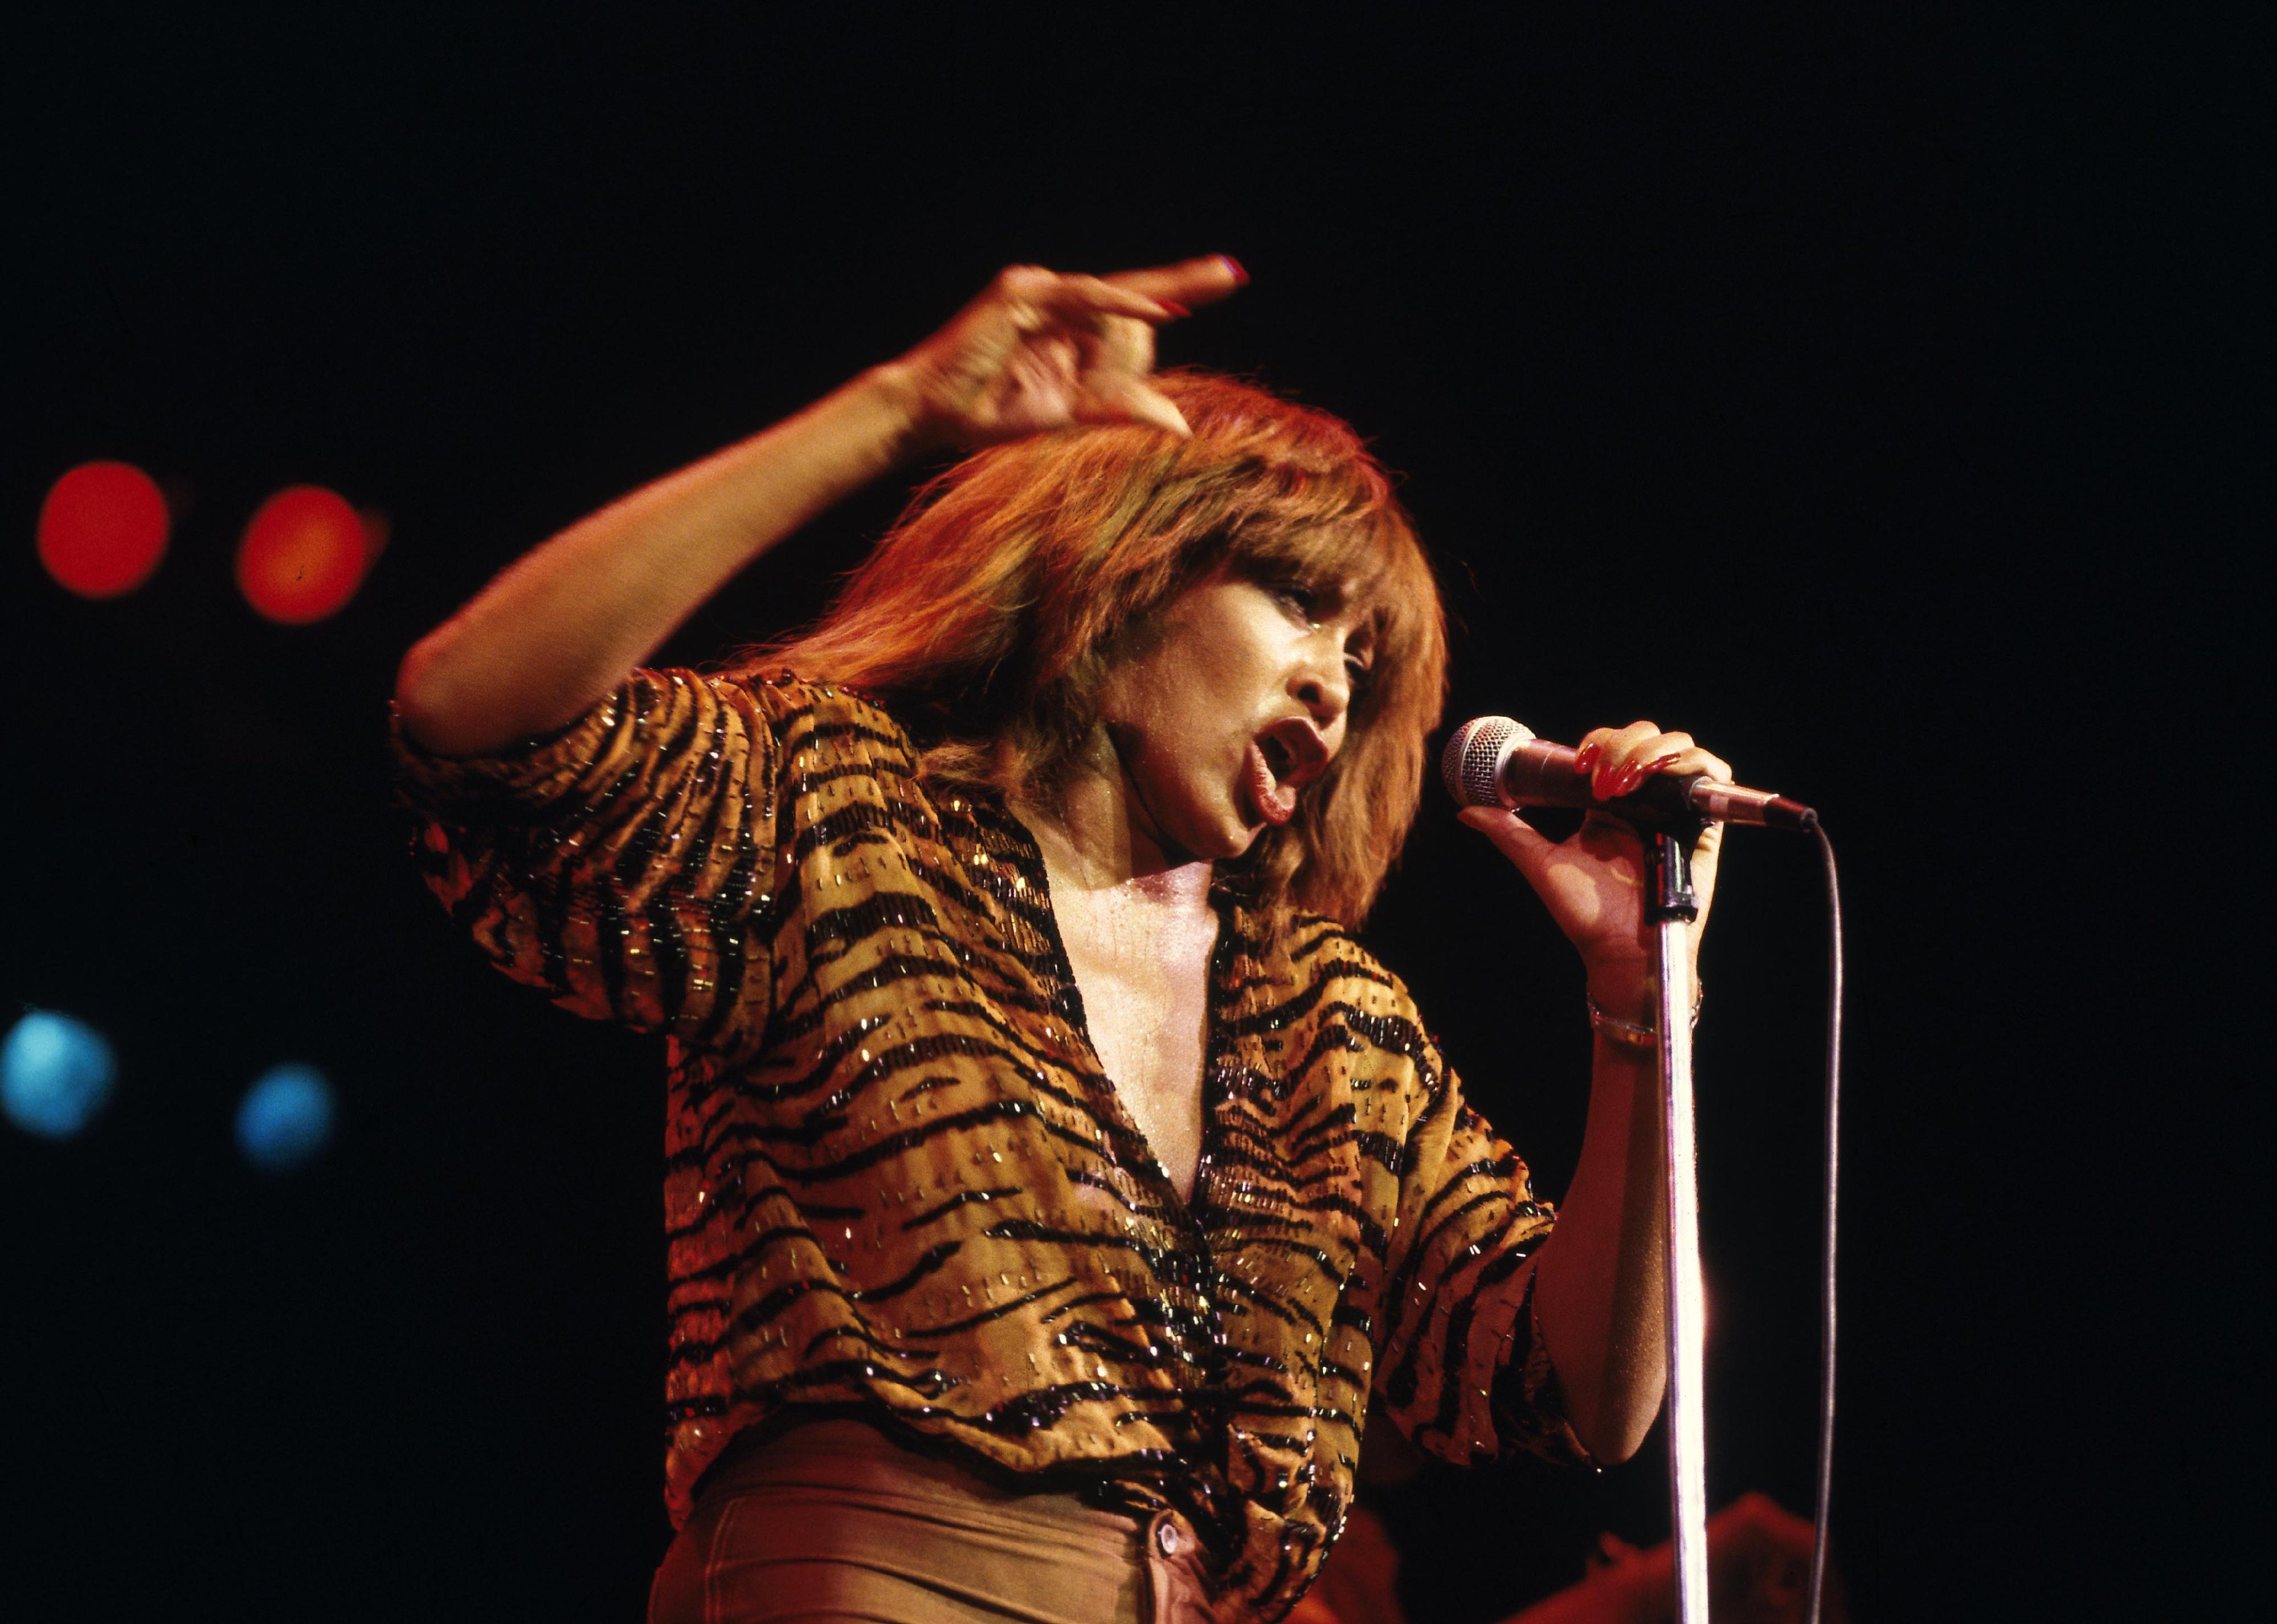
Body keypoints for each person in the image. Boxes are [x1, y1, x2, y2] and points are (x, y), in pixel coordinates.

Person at [392, 256, 1734, 1624]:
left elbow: (1581, 1392)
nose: (1333, 682)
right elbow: (476, 723)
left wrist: (1645, 1001)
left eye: (1364, 660)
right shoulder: (847, 818)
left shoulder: (1326, 1016)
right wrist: (897, 410)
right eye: (1294, 602)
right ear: (1124, 570)